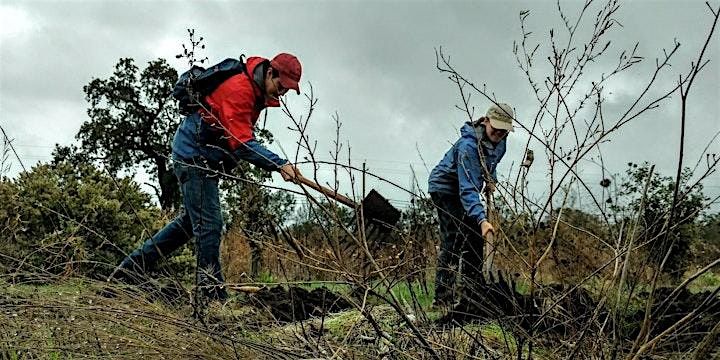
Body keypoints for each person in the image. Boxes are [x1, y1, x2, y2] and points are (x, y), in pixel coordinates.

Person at [108, 53, 304, 303]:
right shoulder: (241, 89)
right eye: (281, 85)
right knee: (210, 226)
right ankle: (210, 297)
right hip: (194, 156)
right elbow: (242, 143)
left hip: (201, 157)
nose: (282, 93)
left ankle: (126, 273)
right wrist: (280, 164)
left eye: (288, 89)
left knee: (189, 225)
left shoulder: (254, 92)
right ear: (270, 73)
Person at [427, 103, 513, 306]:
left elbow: (491, 162)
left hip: (465, 188)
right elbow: (468, 189)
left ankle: (473, 296)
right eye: (496, 128)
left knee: (474, 240)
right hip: (445, 188)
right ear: (486, 121)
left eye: (504, 130)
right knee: (454, 239)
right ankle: (443, 299)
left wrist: (491, 179)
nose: (499, 133)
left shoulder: (501, 142)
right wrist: (482, 220)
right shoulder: (468, 146)